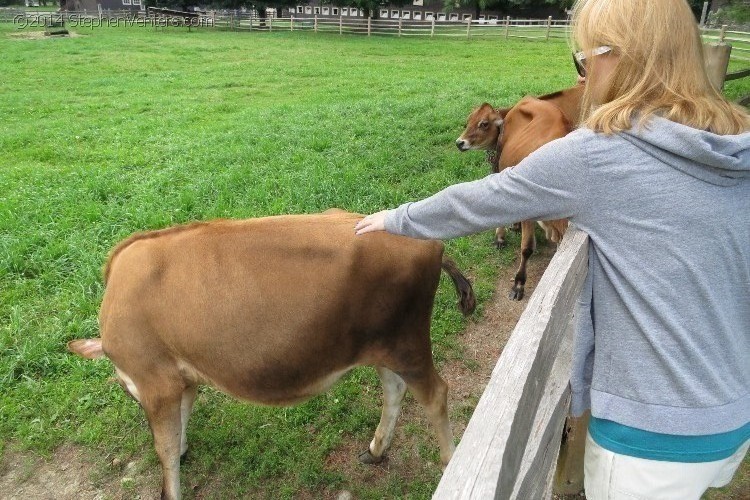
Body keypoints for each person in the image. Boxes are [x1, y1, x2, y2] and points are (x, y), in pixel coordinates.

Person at [354, 0, 750, 498]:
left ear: (630, 59)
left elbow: (486, 198)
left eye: (588, 59)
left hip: (648, 434)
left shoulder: (603, 153)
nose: (581, 78)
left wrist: (396, 219)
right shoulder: (736, 142)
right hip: (733, 417)